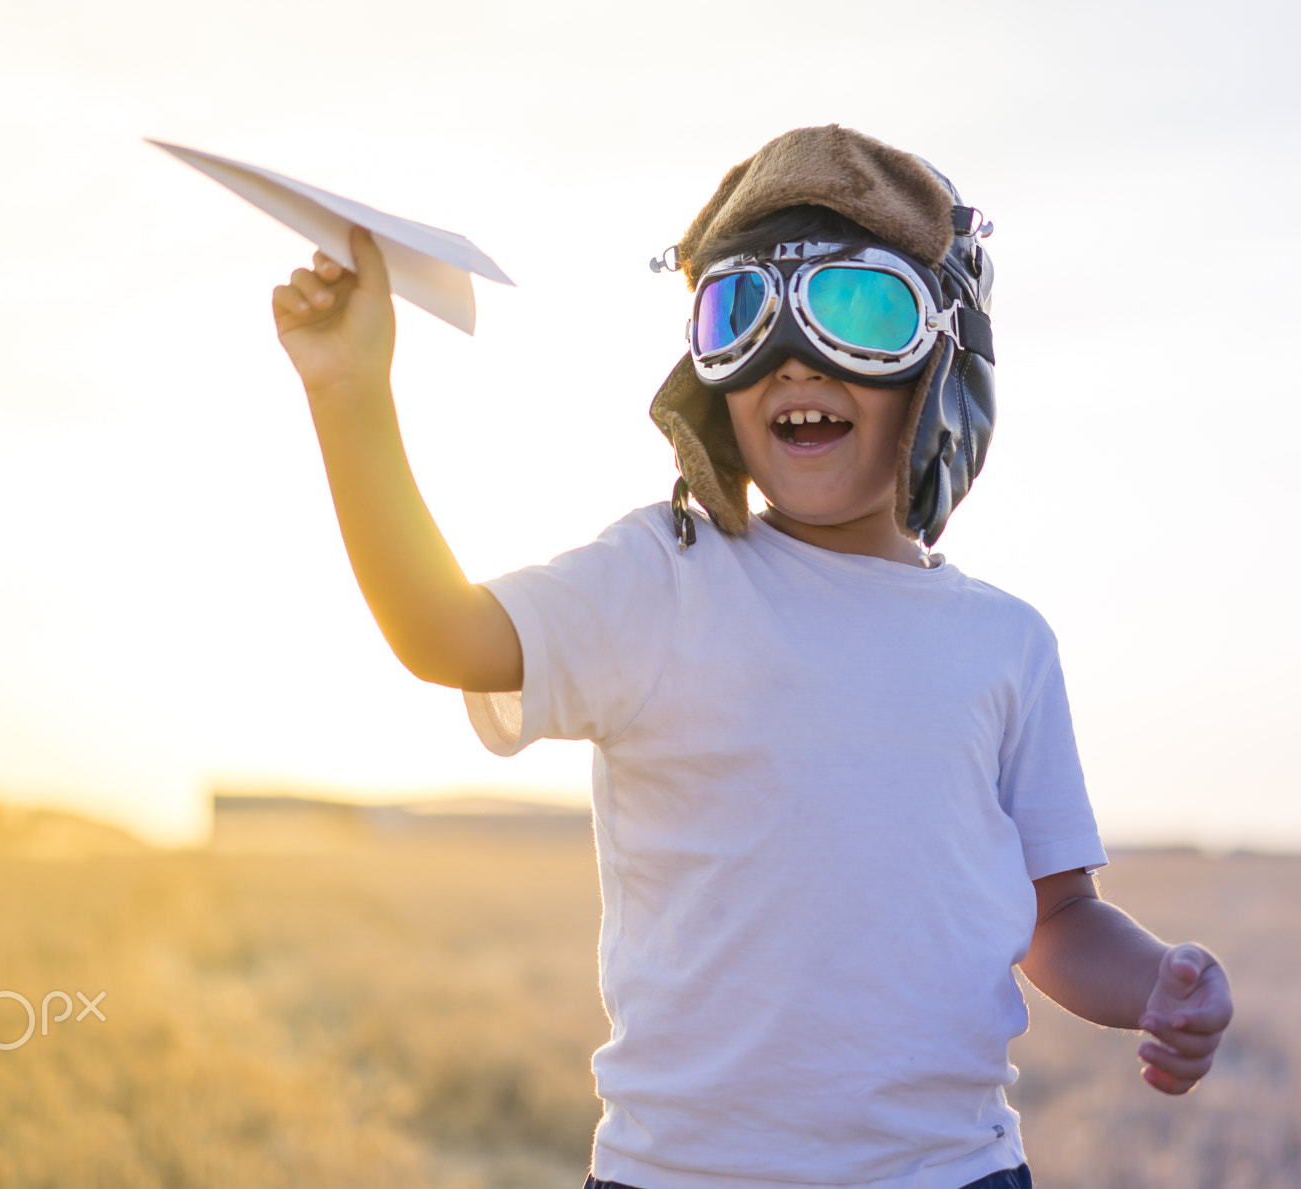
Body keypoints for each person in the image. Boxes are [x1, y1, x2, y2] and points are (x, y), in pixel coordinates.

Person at [270, 125, 1233, 1189]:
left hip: (947, 1174)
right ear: (705, 377)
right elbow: (438, 632)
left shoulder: (1004, 644)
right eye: (740, 316)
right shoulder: (659, 579)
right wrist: (347, 391)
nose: (791, 357)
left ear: (942, 360)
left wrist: (1155, 981)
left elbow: (1056, 919)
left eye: (857, 309)